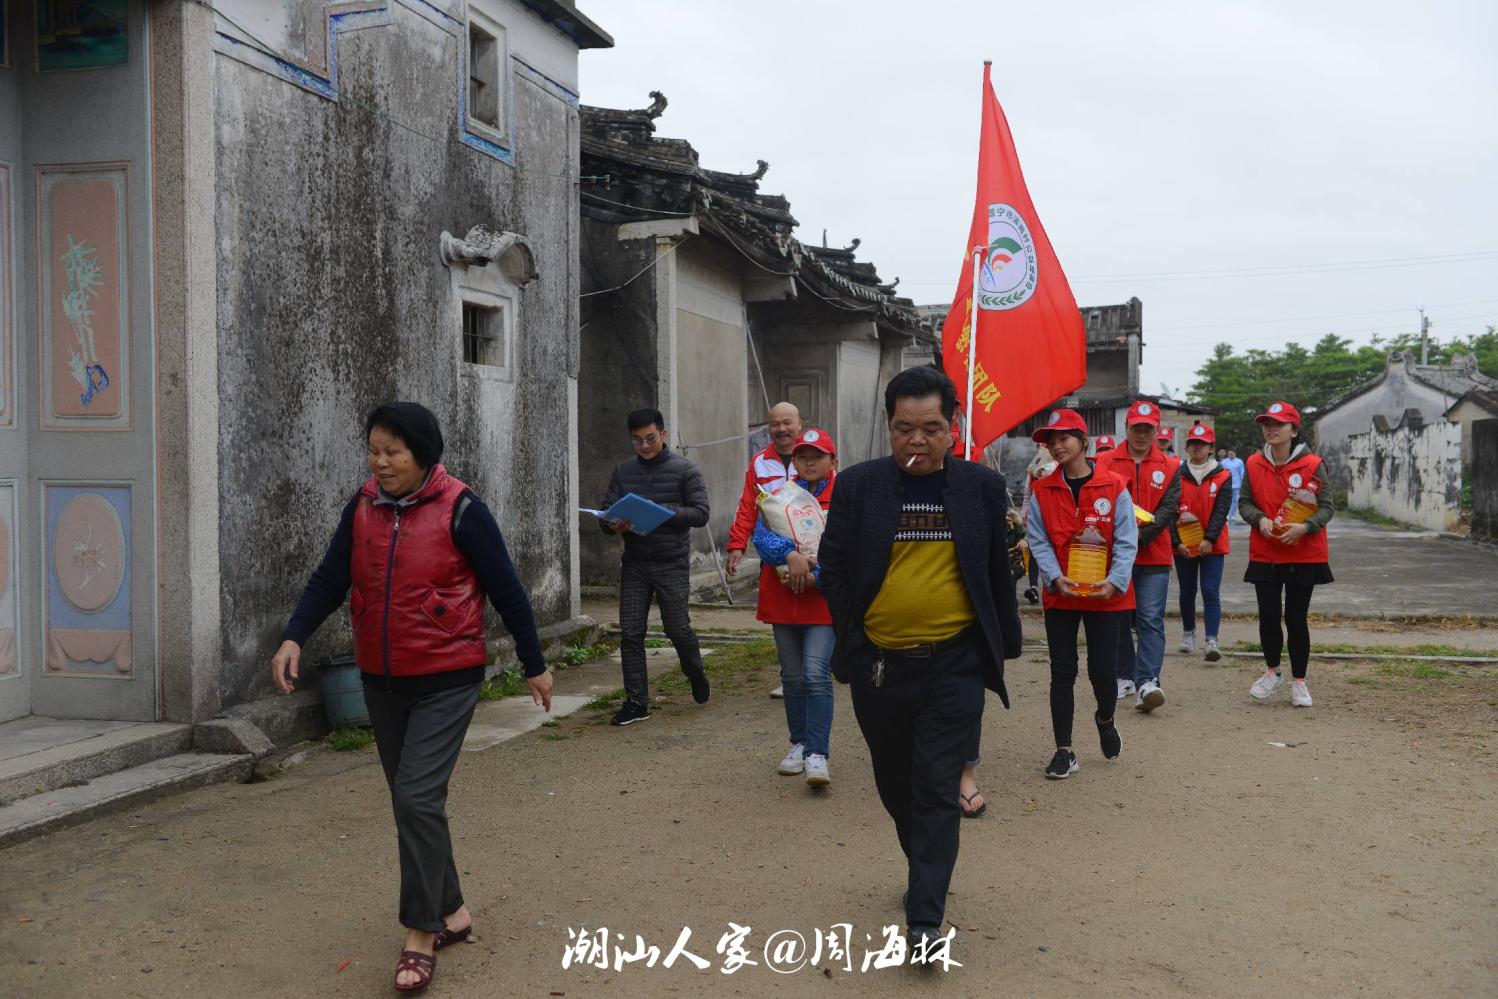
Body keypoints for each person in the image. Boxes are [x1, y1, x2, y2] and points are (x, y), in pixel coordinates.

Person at [270, 402, 552, 993]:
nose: (381, 461)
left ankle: (421, 932)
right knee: (412, 801)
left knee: (417, 797)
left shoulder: (463, 510)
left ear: (424, 456)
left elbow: (506, 588)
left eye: (393, 451)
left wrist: (534, 663)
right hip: (381, 680)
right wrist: (294, 635)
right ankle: (453, 911)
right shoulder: (363, 506)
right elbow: (330, 577)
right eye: (374, 449)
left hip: (447, 678)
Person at [819, 366, 1023, 951]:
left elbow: (994, 573)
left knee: (937, 786)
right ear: (888, 428)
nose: (918, 440)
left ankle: (925, 917)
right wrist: (851, 637)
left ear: (953, 427)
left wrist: (1001, 645)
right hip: (878, 664)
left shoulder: (980, 488)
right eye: (905, 428)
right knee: (894, 779)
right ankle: (925, 865)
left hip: (953, 663)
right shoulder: (859, 487)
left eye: (931, 427)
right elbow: (834, 566)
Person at [1025, 409, 1138, 778]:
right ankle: (1065, 749)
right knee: (1062, 670)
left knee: (1103, 672)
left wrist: (1115, 581)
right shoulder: (1042, 488)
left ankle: (1105, 718)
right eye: (1050, 442)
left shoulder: (1114, 485)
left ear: (1083, 440)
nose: (1057, 447)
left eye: (1064, 439)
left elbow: (1126, 539)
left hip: (1108, 596)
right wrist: (1055, 578)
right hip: (1062, 594)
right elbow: (1038, 541)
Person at [599, 407, 712, 725]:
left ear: (663, 434)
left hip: (671, 562)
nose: (645, 446)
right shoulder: (623, 471)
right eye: (637, 441)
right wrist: (612, 524)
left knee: (678, 629)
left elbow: (701, 513)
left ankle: (695, 673)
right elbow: (606, 514)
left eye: (650, 438)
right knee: (631, 633)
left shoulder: (685, 470)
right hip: (635, 562)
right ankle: (636, 702)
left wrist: (664, 511)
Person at [752, 428, 838, 786]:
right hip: (784, 595)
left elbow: (854, 549)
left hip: (823, 600)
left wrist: (820, 574)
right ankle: (798, 744)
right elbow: (762, 535)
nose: (809, 462)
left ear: (833, 461)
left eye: (817, 456)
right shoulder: (777, 495)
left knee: (816, 673)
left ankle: (818, 752)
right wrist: (788, 555)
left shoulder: (847, 499)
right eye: (802, 456)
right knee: (792, 677)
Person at [1239, 401, 1334, 707]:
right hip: (1266, 551)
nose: (1271, 428)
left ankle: (1300, 681)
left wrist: (1306, 527)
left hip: (1302, 552)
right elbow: (1244, 503)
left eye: (1279, 424)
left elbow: (1328, 507)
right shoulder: (1253, 463)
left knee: (1295, 618)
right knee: (1268, 617)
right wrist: (1260, 519)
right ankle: (1273, 672)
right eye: (1267, 423)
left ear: (1294, 430)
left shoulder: (1313, 464)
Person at [1095, 400, 1181, 712]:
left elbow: (1168, 509)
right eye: (1136, 428)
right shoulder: (1104, 461)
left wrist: (1135, 538)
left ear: (1156, 431)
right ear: (1126, 428)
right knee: (1116, 618)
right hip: (1115, 556)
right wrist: (1124, 543)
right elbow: (1098, 501)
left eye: (1147, 429)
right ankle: (1124, 675)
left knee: (1149, 619)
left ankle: (1148, 681)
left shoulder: (1171, 466)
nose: (1141, 435)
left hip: (1153, 555)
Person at [726, 401, 804, 699]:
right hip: (774, 551)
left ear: (799, 424)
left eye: (787, 423)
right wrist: (737, 545)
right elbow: (747, 506)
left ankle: (816, 668)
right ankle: (789, 674)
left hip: (811, 548)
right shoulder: (759, 462)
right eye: (775, 424)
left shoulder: (813, 456)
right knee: (782, 612)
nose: (781, 429)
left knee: (814, 607)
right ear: (768, 428)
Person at [1172, 424, 1234, 662]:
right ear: (1187, 447)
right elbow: (1169, 510)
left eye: (1203, 444)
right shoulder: (1176, 474)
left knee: (1210, 591)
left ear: (1211, 448)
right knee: (1187, 590)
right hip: (1183, 545)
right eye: (1193, 443)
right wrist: (1176, 543)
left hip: (1213, 544)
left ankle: (1211, 640)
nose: (1197, 447)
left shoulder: (1223, 475)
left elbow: (1221, 510)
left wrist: (1209, 539)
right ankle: (1189, 632)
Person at [1220, 447, 1246, 520]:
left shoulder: (1239, 462)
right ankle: (1230, 513)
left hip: (1236, 484)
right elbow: (1220, 472)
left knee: (1235, 500)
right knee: (1227, 500)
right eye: (1229, 454)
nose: (1230, 455)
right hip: (1226, 484)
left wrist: (1243, 483)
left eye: (1232, 453)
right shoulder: (1224, 462)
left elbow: (1242, 473)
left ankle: (1230, 514)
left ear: (1235, 454)